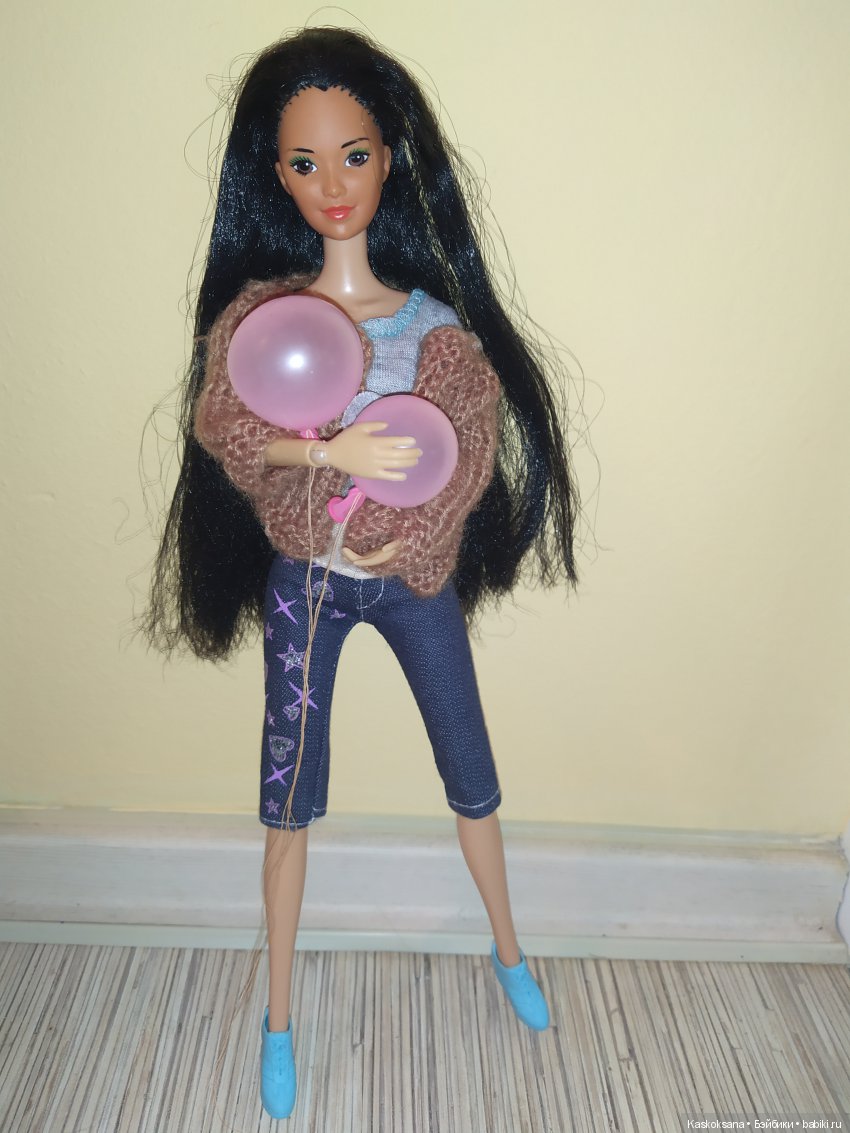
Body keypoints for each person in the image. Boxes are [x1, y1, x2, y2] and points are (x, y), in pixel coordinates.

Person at [146, 27, 579, 1121]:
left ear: (390, 160)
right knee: (286, 802)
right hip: (308, 581)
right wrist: (324, 454)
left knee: (469, 770)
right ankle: (278, 1013)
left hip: (410, 582)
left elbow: (462, 457)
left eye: (353, 154)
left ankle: (508, 946)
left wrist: (411, 540)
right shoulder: (264, 320)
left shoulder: (436, 333)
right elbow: (225, 424)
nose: (332, 184)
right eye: (305, 162)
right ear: (276, 175)